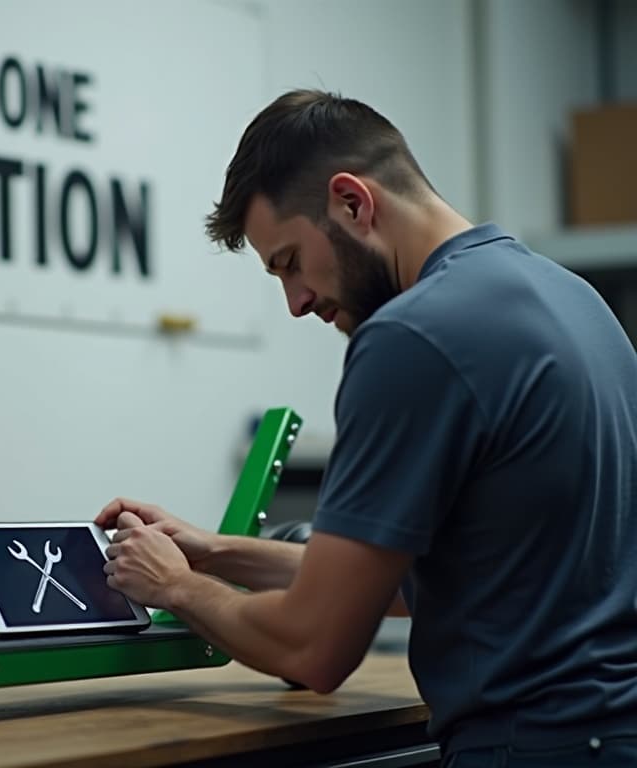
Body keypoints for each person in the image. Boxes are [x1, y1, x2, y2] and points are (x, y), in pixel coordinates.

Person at [96, 89, 637, 766]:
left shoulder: (413, 337)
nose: (295, 303)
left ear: (353, 202)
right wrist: (216, 552)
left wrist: (175, 587)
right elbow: (463, 574)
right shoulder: (573, 300)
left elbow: (315, 646)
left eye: (289, 262)